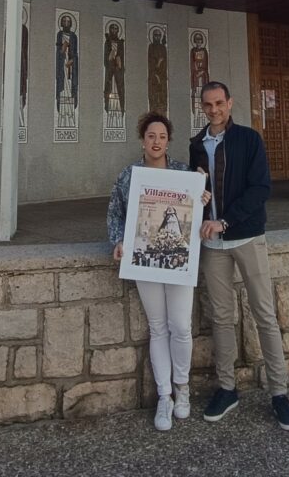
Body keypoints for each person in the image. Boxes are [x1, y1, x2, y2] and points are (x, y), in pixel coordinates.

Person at [189, 81, 289, 431]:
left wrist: (225, 220)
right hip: (213, 245)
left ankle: (279, 392)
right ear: (201, 106)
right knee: (221, 318)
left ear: (230, 103)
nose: (214, 110)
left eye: (219, 103)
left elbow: (260, 188)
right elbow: (197, 191)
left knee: (264, 314)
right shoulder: (196, 144)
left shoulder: (249, 139)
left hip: (247, 236)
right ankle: (227, 388)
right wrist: (201, 203)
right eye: (207, 105)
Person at [107, 112, 210, 432]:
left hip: (177, 260)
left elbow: (193, 211)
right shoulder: (129, 175)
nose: (156, 141)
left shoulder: (183, 172)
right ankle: (164, 395)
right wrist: (117, 242)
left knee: (180, 325)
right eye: (151, 136)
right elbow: (115, 213)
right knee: (158, 327)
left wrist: (202, 197)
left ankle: (183, 389)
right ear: (142, 139)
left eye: (162, 136)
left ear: (168, 140)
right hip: (145, 260)